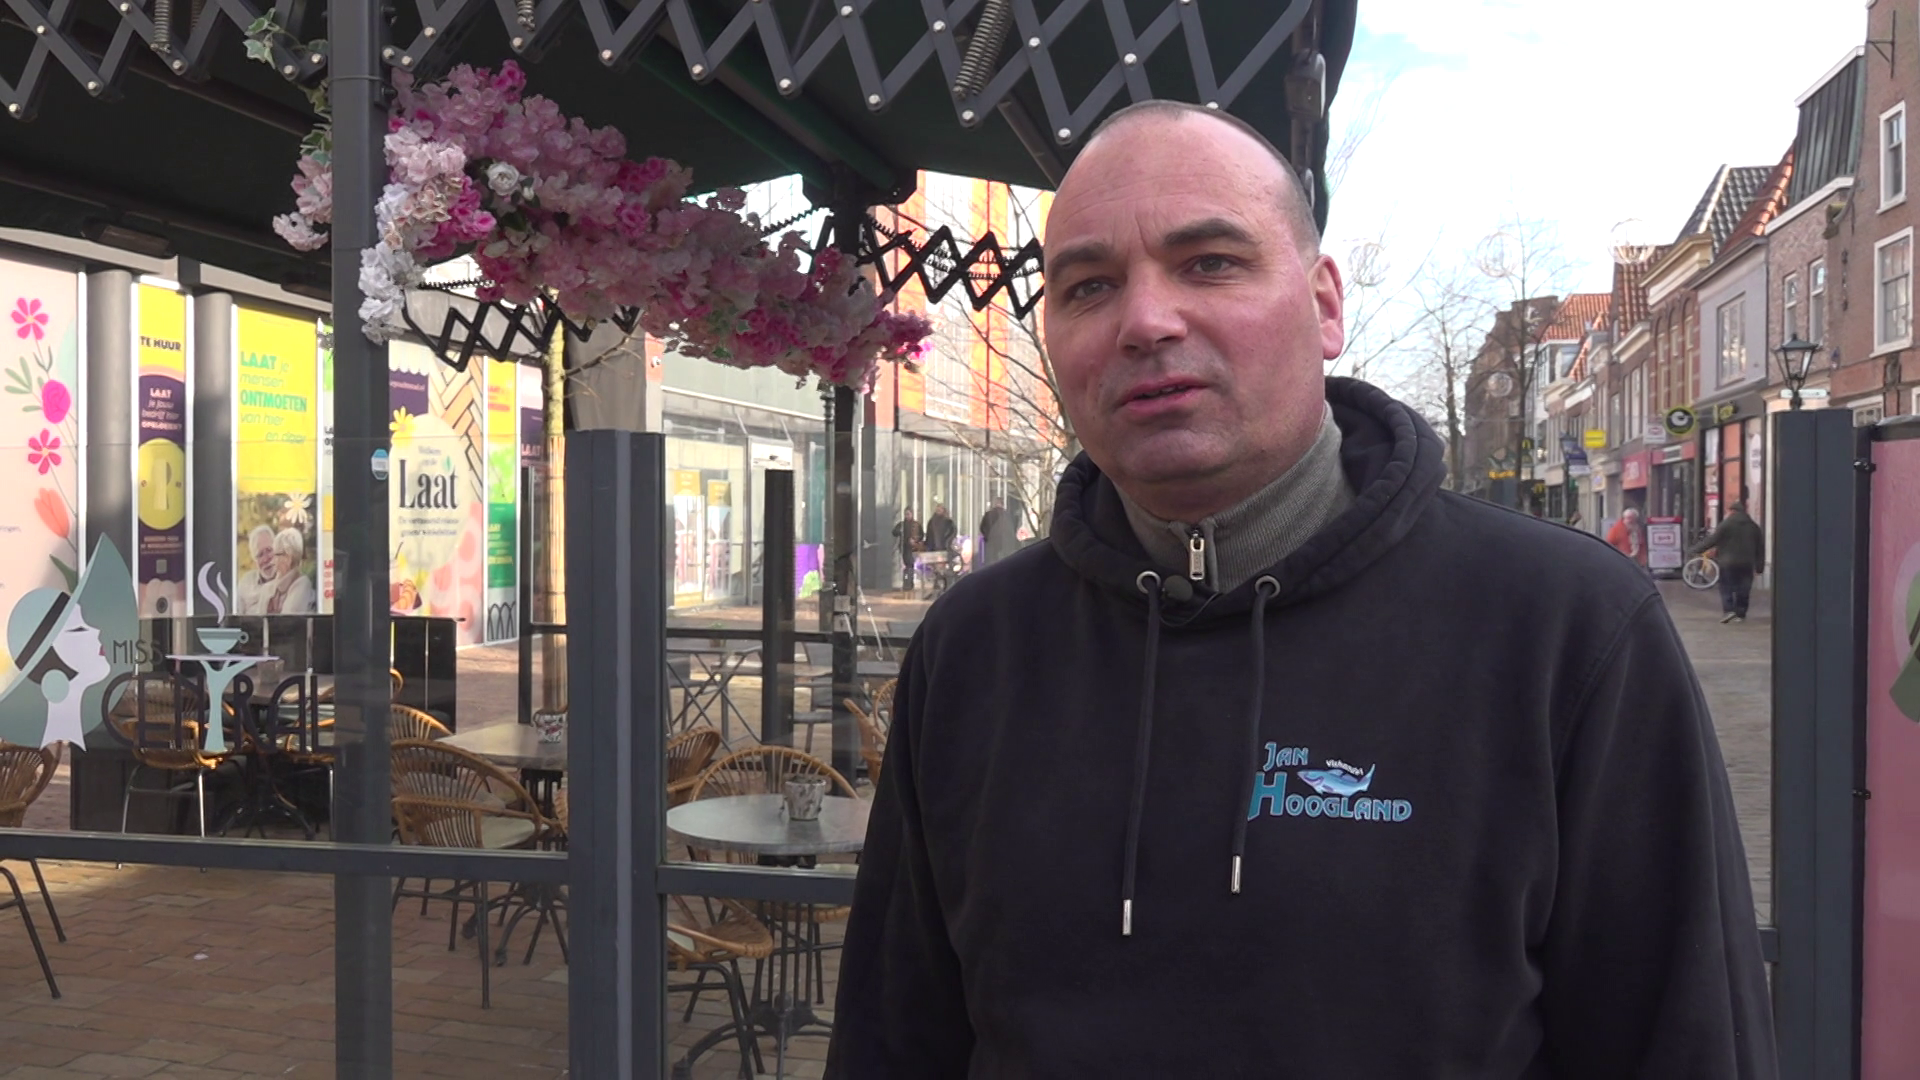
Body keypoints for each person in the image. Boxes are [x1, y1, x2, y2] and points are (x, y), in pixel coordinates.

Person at [827, 100, 1773, 1079]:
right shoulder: (976, 649)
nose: (1147, 320)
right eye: (1088, 285)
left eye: (1210, 263)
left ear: (1325, 304)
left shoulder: (1565, 628)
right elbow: (896, 1039)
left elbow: (1685, 1038)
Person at [1693, 500, 1765, 624]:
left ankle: (1729, 611)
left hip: (1728, 562)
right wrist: (1759, 567)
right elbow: (1760, 548)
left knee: (1726, 587)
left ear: (1732, 511)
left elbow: (1712, 540)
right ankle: (1740, 614)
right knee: (1744, 588)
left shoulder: (1726, 525)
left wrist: (1695, 550)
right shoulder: (1754, 526)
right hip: (1747, 563)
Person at [265, 528, 315, 615]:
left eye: (276, 555)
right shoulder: (273, 587)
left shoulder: (302, 584)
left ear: (288, 558)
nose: (272, 561)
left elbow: (287, 621)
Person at [233, 525, 279, 615]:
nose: (266, 559)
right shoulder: (245, 583)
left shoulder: (289, 580)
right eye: (260, 554)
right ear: (254, 560)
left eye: (269, 550)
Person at [892, 508, 923, 591]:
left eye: (908, 514)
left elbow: (921, 535)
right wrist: (899, 531)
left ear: (912, 514)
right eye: (906, 514)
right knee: (907, 565)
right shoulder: (902, 525)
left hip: (913, 548)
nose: (907, 516)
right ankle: (907, 583)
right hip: (904, 548)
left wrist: (915, 540)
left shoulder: (916, 525)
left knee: (910, 565)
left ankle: (909, 583)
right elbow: (894, 532)